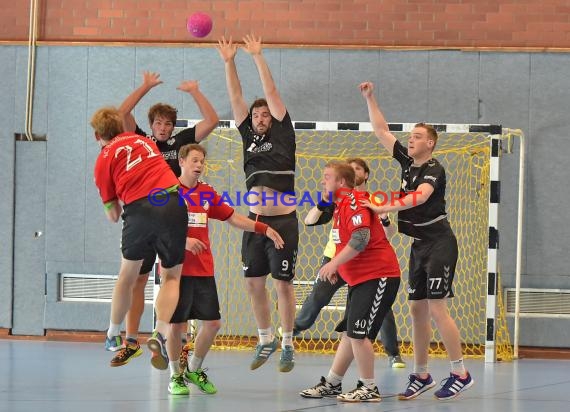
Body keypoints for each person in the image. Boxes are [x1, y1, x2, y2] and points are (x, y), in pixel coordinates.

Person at [359, 81, 474, 401]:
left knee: (437, 309)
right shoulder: (408, 162)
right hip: (418, 245)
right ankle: (421, 373)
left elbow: (418, 198)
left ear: (431, 144)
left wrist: (383, 206)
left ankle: (460, 372)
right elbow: (381, 130)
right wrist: (371, 98)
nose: (410, 139)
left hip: (440, 243)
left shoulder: (434, 170)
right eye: (410, 135)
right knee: (416, 309)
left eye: (418, 136)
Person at [109, 72, 219, 367]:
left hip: (174, 219)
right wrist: (145, 86)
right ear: (152, 124)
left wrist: (195, 90)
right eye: (158, 122)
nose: (162, 127)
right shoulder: (142, 140)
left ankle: (167, 341)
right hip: (145, 217)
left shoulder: (180, 143)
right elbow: (121, 114)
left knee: (175, 281)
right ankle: (131, 339)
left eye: (167, 123)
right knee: (138, 280)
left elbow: (211, 121)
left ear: (173, 127)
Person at [165, 144, 285, 395]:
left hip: (203, 269)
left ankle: (194, 369)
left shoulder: (207, 192)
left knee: (213, 324)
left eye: (202, 161)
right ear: (182, 161)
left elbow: (232, 217)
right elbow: (156, 232)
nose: (199, 165)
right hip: (176, 270)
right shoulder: (169, 192)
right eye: (195, 160)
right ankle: (175, 376)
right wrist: (183, 242)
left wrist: (263, 228)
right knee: (176, 326)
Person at [217, 34, 298, 372]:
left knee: (282, 283)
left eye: (265, 114)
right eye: (257, 114)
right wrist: (229, 61)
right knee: (253, 283)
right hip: (255, 223)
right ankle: (265, 339)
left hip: (282, 221)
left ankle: (288, 341)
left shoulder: (282, 131)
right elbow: (235, 96)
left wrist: (257, 57)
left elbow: (273, 93)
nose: (261, 117)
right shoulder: (248, 136)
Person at [91, 106, 187, 369]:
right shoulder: (144, 141)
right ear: (122, 129)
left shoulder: (102, 160)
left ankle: (113, 334)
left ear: (97, 135)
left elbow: (113, 214)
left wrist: (114, 205)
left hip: (139, 211)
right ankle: (160, 332)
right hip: (172, 202)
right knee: (172, 277)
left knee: (128, 277)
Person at [299, 162, 401, 402]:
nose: (323, 182)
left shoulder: (354, 201)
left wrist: (333, 264)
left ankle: (368, 387)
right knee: (349, 332)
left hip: (378, 276)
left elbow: (361, 237)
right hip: (360, 278)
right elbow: (344, 242)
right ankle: (333, 383)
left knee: (359, 335)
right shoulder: (339, 206)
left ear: (341, 182)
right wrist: (340, 267)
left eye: (327, 177)